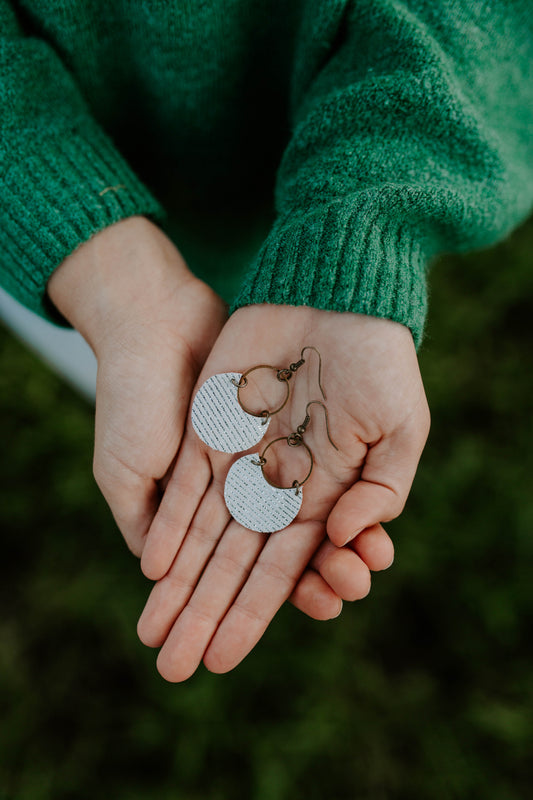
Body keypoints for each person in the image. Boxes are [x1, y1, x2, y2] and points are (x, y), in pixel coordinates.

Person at [1, 1, 531, 682]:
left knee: (155, 366)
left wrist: (358, 226)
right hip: (64, 231)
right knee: (128, 368)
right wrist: (100, 271)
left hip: (301, 150)